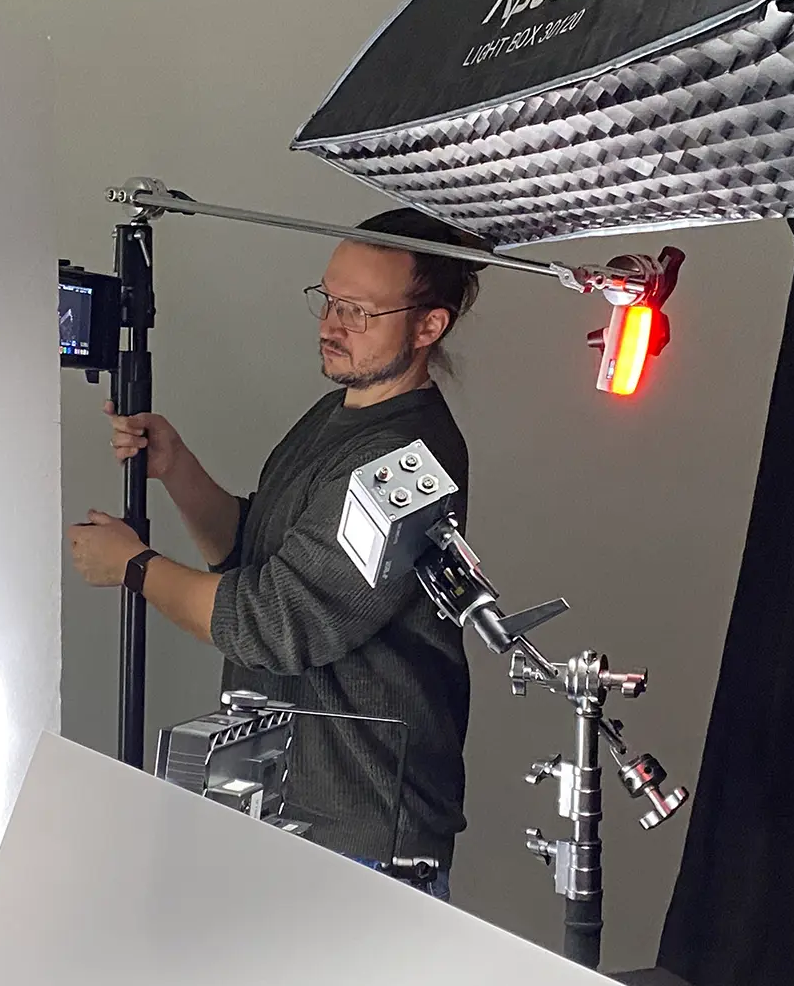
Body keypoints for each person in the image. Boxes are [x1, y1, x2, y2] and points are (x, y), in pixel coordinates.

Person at [66, 208, 483, 899]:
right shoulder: (339, 413)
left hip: (361, 834)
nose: (331, 325)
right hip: (284, 806)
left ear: (427, 326)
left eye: (358, 311)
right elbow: (253, 551)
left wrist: (134, 568)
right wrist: (177, 467)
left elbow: (275, 622)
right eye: (328, 300)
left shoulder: (411, 460)